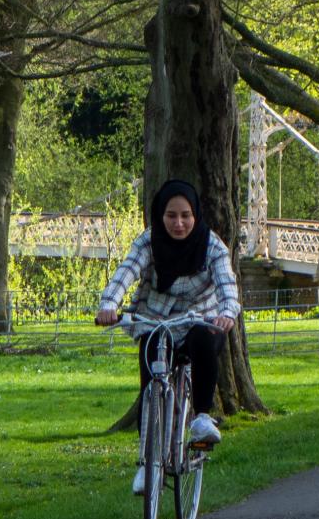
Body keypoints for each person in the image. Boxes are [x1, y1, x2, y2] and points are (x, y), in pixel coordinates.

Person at [97, 178, 243, 492]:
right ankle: (147, 465)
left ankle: (201, 418)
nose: (178, 223)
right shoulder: (148, 242)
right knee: (151, 384)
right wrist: (109, 304)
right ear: (159, 216)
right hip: (155, 320)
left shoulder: (212, 245)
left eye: (186, 215)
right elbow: (126, 271)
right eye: (171, 216)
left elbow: (227, 286)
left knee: (205, 341)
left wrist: (228, 312)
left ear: (196, 215)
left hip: (199, 318)